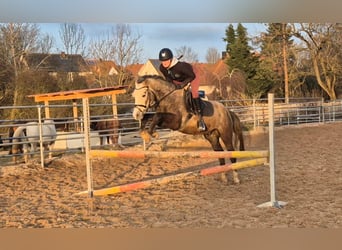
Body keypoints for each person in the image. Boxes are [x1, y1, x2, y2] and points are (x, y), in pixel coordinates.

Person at [158, 48, 206, 131]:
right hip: (180, 78)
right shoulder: (162, 68)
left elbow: (192, 76)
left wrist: (183, 85)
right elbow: (168, 79)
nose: (164, 63)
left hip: (193, 74)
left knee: (194, 93)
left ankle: (200, 119)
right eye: (162, 61)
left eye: (166, 60)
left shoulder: (180, 66)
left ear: (171, 59)